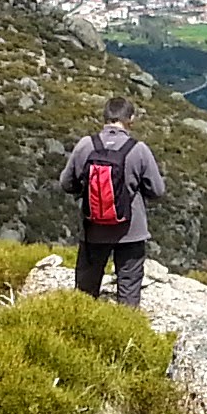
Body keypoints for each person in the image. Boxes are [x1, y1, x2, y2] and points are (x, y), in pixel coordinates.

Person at [61, 95, 165, 306]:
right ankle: (127, 325)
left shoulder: (86, 145)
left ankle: (81, 323)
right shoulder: (139, 149)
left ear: (105, 117)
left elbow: (66, 183)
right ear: (131, 119)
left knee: (85, 291)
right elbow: (157, 190)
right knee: (129, 289)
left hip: (93, 229)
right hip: (131, 232)